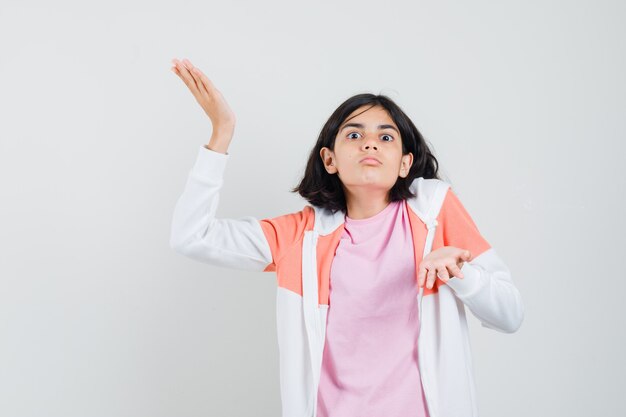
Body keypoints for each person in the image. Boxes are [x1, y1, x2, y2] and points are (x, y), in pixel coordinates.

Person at [169, 57, 524, 417]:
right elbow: (191, 236)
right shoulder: (300, 236)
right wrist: (221, 132)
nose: (370, 144)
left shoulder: (435, 210)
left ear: (405, 162)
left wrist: (461, 275)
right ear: (330, 159)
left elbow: (509, 315)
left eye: (386, 137)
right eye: (354, 135)